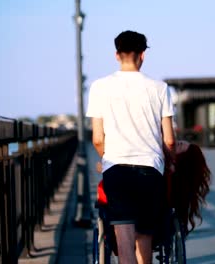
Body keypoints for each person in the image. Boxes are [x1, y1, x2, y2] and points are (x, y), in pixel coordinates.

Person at [86, 30, 175, 264]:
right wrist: (169, 160)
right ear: (143, 55)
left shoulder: (99, 87)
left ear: (117, 55)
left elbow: (97, 138)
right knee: (144, 235)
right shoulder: (160, 88)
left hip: (117, 170)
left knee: (124, 242)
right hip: (150, 170)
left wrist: (107, 158)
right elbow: (170, 141)